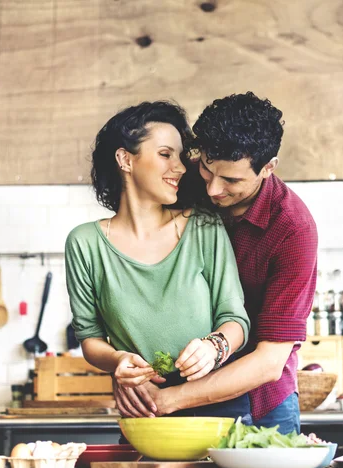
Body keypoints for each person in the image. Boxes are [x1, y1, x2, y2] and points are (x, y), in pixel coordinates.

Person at [115, 92, 318, 434]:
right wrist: (123, 370)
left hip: (260, 403)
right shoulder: (182, 183)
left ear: (268, 167)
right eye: (207, 169)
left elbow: (269, 363)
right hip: (166, 388)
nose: (212, 190)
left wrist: (168, 400)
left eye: (232, 181)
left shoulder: (293, 229)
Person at [65, 100, 252, 421]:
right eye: (166, 154)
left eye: (180, 156)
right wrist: (118, 361)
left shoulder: (203, 226)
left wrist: (213, 347)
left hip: (216, 405)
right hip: (144, 409)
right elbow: (91, 339)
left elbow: (236, 319)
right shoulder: (85, 243)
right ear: (125, 159)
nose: (180, 167)